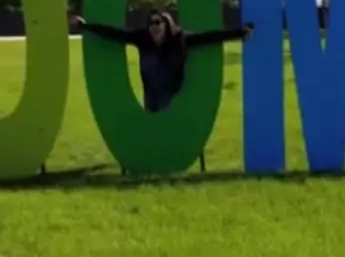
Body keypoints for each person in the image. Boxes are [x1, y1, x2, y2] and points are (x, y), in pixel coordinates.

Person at [71, 9, 253, 172]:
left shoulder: (180, 39)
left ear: (167, 24)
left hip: (171, 92)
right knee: (152, 127)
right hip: (152, 91)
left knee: (168, 127)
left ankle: (173, 158)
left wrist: (238, 32)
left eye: (158, 22)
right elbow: (116, 34)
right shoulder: (142, 39)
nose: (154, 26)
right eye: (151, 23)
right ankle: (154, 160)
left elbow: (209, 37)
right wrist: (87, 27)